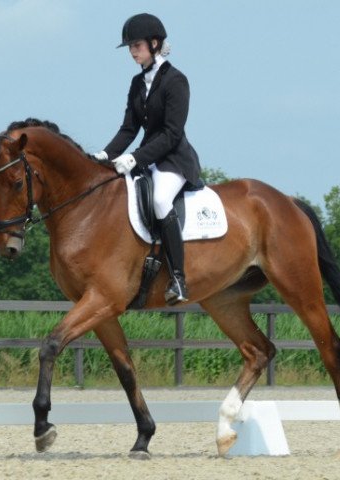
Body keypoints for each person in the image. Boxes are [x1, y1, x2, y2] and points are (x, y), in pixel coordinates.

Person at [94, 13, 201, 306]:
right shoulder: (137, 82)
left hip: (174, 160)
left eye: (137, 45)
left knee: (160, 201)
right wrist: (105, 155)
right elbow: (129, 128)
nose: (132, 51)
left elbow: (171, 133)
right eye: (130, 47)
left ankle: (178, 278)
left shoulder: (177, 81)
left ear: (155, 43)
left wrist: (134, 158)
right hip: (147, 158)